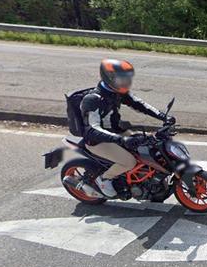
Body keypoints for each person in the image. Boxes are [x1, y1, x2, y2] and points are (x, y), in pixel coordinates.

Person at [67, 58, 175, 198]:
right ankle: (104, 179)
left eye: (127, 78)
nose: (126, 82)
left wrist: (163, 117)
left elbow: (140, 104)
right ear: (110, 78)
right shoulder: (92, 99)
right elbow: (92, 129)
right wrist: (121, 140)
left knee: (150, 145)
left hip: (117, 133)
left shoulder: (118, 92)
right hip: (98, 141)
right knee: (129, 162)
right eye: (122, 79)